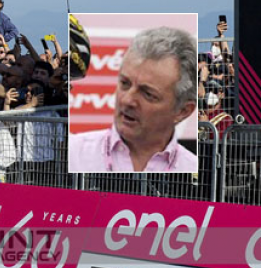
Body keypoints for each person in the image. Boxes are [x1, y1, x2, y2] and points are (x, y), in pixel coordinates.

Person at [69, 26, 198, 173]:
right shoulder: (72, 154)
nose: (127, 100)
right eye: (125, 83)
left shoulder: (194, 171)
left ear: (183, 111)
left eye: (148, 94)